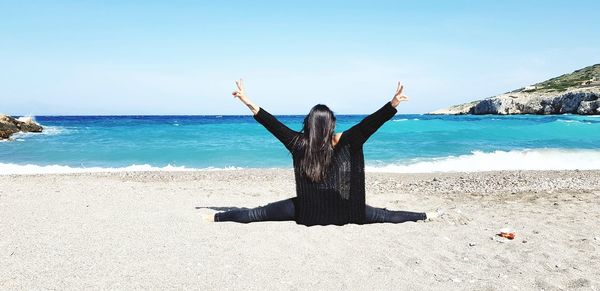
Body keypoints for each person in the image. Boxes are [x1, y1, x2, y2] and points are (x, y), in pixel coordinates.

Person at [214, 79, 427, 226]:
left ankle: (216, 218)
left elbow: (272, 124)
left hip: (308, 211)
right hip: (347, 211)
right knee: (384, 215)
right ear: (330, 125)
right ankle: (425, 215)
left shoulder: (298, 143)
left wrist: (247, 101)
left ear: (309, 124)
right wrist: (392, 105)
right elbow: (368, 125)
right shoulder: (346, 141)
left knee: (257, 213)